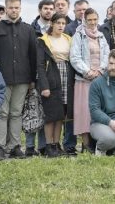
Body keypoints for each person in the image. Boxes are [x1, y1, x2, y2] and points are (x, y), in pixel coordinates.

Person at [0, 0, 39, 160]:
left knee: (16, 113)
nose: (14, 10)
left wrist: (32, 80)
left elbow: (33, 55)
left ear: (20, 8)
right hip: (1, 78)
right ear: (6, 9)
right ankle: (0, 147)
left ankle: (15, 146)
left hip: (23, 78)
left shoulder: (28, 29)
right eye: (11, 7)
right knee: (2, 113)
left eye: (17, 7)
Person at [70, 8, 110, 153]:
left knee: (98, 110)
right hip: (84, 80)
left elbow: (107, 54)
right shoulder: (78, 36)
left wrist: (100, 70)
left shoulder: (101, 36)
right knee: (84, 112)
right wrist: (87, 71)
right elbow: (74, 57)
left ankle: (98, 143)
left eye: (95, 20)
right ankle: (86, 145)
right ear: (84, 20)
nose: (92, 23)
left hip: (99, 79)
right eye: (90, 20)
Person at [36, 13, 75, 157]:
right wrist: (44, 86)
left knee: (61, 114)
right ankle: (48, 145)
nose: (60, 25)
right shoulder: (43, 40)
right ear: (52, 23)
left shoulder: (68, 39)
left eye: (63, 23)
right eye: (57, 22)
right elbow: (40, 65)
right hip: (51, 76)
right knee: (51, 114)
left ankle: (56, 144)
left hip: (66, 77)